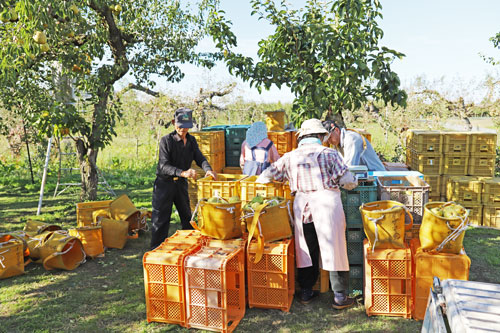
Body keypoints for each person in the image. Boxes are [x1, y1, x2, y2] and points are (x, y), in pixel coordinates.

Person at [256, 118, 358, 309]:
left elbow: (265, 177)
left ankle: (306, 291)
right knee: (335, 246)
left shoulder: (290, 157)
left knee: (306, 249)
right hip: (327, 204)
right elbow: (347, 181)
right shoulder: (330, 154)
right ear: (320, 136)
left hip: (303, 206)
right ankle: (340, 296)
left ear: (302, 137)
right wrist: (353, 182)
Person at [150, 108, 217, 250]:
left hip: (180, 185)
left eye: (186, 126)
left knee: (187, 216)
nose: (183, 129)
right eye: (180, 125)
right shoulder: (166, 141)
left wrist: (208, 169)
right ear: (174, 123)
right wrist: (183, 173)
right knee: (160, 220)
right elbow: (163, 166)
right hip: (164, 185)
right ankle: (156, 250)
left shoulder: (191, 141)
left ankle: (189, 247)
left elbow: (199, 157)